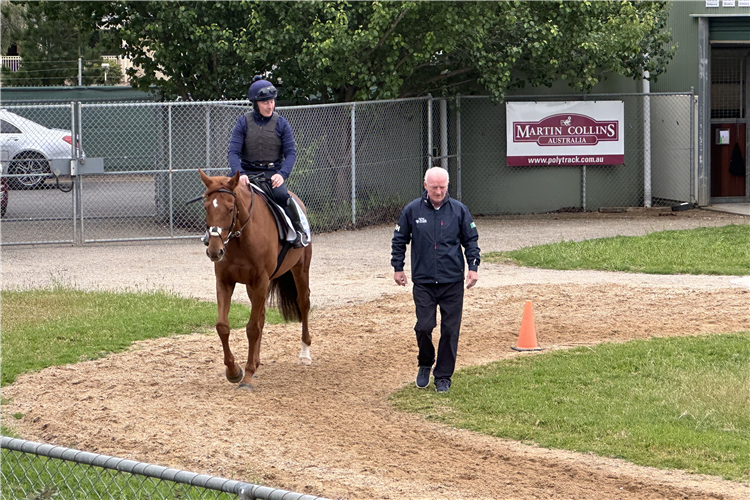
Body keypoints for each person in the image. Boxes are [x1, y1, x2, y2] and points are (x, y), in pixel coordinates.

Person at [391, 167, 480, 393]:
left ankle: (443, 376)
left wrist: (473, 268)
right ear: (425, 186)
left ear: (448, 186)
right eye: (434, 187)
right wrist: (398, 268)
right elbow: (399, 240)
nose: (438, 191)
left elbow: (471, 241)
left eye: (442, 187)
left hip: (452, 282)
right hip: (423, 281)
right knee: (424, 326)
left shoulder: (459, 211)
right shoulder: (412, 210)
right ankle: (425, 362)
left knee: (450, 331)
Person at [228, 75, 308, 248]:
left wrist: (282, 174)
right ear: (256, 104)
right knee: (225, 195)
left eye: (272, 101)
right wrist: (240, 173)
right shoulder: (243, 123)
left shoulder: (281, 124)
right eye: (265, 102)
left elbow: (291, 153)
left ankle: (299, 231)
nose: (270, 106)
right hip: (246, 173)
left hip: (272, 173)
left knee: (282, 196)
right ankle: (215, 234)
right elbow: (233, 153)